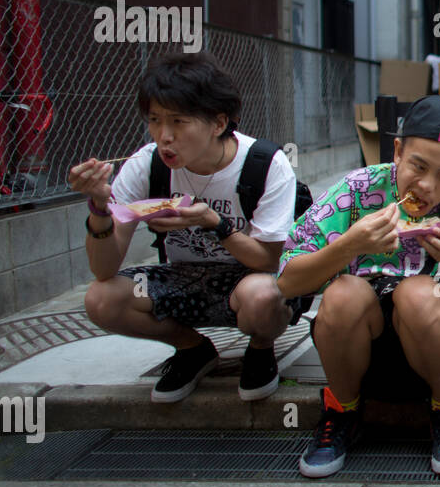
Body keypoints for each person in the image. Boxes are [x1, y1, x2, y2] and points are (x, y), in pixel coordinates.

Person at [273, 95, 440, 477]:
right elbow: (287, 281)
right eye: (418, 165)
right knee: (343, 292)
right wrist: (351, 244)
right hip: (360, 357)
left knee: (419, 293)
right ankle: (341, 413)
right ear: (398, 150)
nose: (428, 185)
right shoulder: (358, 191)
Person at [68, 52, 303, 404]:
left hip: (251, 279)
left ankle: (261, 346)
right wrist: (100, 208)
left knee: (262, 296)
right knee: (102, 299)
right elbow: (104, 269)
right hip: (184, 278)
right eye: (155, 120)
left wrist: (215, 223)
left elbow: (269, 261)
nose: (164, 136)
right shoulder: (145, 164)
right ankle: (193, 350)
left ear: (218, 122)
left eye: (179, 121)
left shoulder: (266, 164)